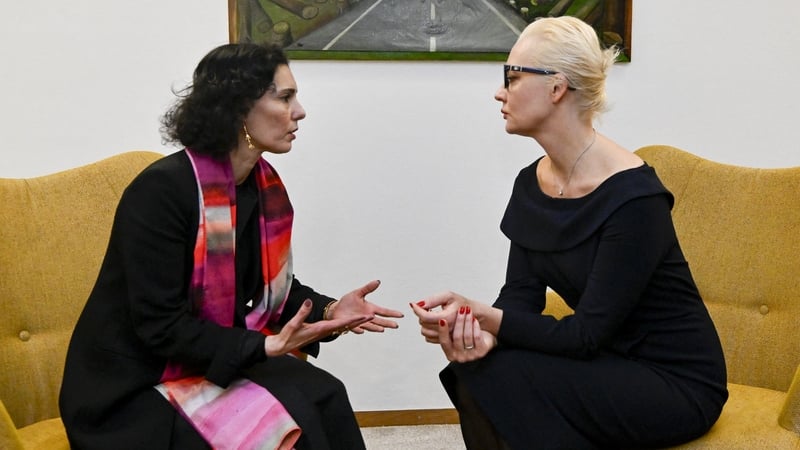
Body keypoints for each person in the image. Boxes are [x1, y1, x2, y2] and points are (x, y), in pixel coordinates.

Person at [59, 43, 403, 450]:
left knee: (324, 396)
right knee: (288, 430)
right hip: (132, 388)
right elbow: (160, 326)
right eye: (285, 97)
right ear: (238, 108)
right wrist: (261, 346)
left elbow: (269, 290)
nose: (300, 111)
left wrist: (330, 311)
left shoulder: (259, 187)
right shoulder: (161, 191)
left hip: (204, 360)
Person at [410, 16, 728, 449]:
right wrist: (481, 332)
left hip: (674, 380)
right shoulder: (531, 183)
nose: (500, 92)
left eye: (512, 77)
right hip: (605, 358)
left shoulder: (635, 199)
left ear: (556, 87)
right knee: (476, 364)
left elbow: (586, 335)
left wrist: (486, 317)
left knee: (506, 374)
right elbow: (521, 295)